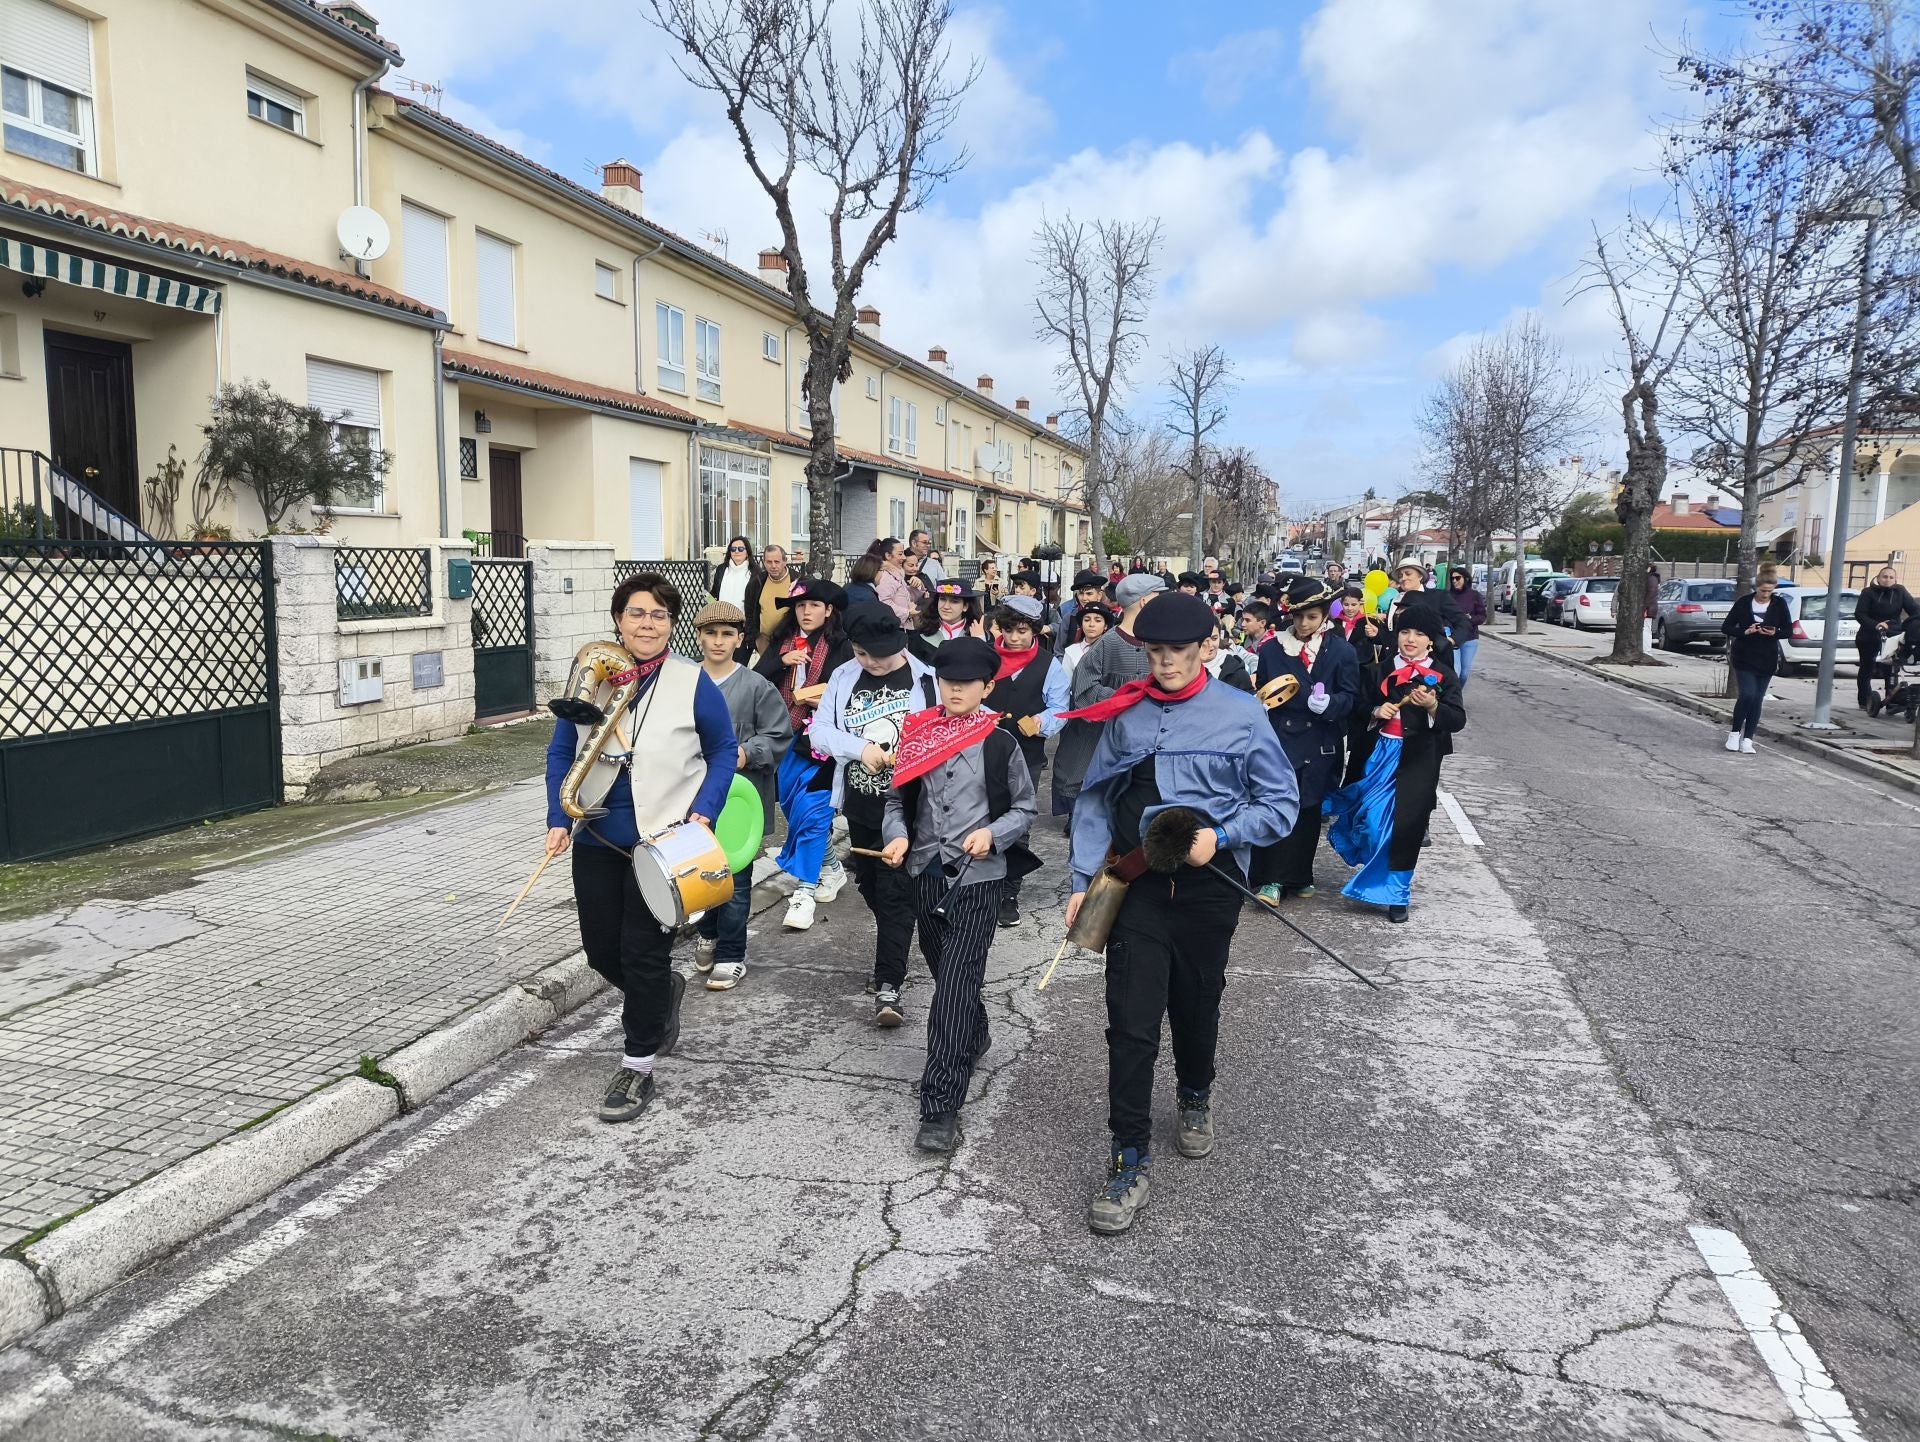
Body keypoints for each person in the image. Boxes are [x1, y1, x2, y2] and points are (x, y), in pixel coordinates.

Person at [1063, 591, 1296, 1235]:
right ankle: (1127, 1156)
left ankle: (1194, 1093)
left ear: (1204, 650)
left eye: (1177, 652)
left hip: (1208, 888)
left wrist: (1221, 836)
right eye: (1154, 652)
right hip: (1135, 889)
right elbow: (1093, 799)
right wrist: (1084, 880)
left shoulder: (1242, 715)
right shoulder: (1128, 716)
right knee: (1130, 1023)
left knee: (1196, 1007)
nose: (1164, 663)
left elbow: (1281, 804)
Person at [544, 573, 737, 1123]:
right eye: (636, 613)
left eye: (657, 614)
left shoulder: (691, 681)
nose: (646, 623)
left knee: (642, 951)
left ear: (672, 624)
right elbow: (562, 751)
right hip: (599, 835)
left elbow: (724, 751)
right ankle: (658, 995)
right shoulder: (594, 680)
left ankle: (637, 1065)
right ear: (618, 621)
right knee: (601, 950)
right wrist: (558, 817)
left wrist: (706, 810)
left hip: (664, 841)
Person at [880, 637, 1037, 1153]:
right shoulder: (918, 733)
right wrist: (896, 835)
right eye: (947, 681)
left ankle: (940, 1104)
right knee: (943, 964)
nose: (955, 690)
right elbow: (895, 802)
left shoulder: (1000, 741)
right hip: (925, 873)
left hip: (979, 878)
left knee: (953, 984)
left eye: (967, 683)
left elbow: (1024, 808)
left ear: (987, 687)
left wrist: (994, 833)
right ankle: (976, 1030)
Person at [808, 604, 936, 1023]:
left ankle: (888, 985)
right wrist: (860, 749)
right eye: (863, 653)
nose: (872, 663)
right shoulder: (844, 677)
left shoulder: (928, 678)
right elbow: (821, 731)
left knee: (895, 891)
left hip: (908, 807)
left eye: (879, 655)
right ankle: (894, 943)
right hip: (862, 805)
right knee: (873, 887)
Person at [1324, 603, 1465, 923]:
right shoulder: (1379, 669)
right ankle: (1376, 870)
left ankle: (1397, 894)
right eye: (1404, 632)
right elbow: (1357, 707)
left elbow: (1457, 719)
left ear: (1431, 640)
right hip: (1380, 755)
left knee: (1407, 828)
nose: (1410, 639)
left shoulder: (1443, 675)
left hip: (1419, 760)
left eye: (1419, 634)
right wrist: (1376, 712)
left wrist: (1432, 707)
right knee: (1373, 824)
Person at [691, 602, 792, 990]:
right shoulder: (684, 681)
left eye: (727, 634)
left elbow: (779, 734)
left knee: (735, 878)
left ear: (740, 639)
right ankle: (709, 934)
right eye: (711, 633)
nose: (718, 641)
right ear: (699, 636)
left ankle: (731, 954)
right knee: (699, 875)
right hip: (690, 798)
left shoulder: (755, 687)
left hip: (738, 799)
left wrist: (746, 751)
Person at [755, 578, 855, 929]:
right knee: (796, 814)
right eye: (800, 606)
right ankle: (831, 867)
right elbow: (757, 681)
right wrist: (782, 660)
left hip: (821, 745)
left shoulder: (842, 646)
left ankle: (805, 891)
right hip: (783, 741)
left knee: (813, 816)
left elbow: (851, 694)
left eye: (814, 605)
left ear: (829, 611)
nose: (806, 612)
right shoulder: (782, 643)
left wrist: (823, 703)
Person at [1252, 579, 1360, 903]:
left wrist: (1331, 705)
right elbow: (1264, 693)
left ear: (1325, 615)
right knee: (1279, 803)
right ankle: (1271, 879)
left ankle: (1300, 875)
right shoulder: (1272, 648)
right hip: (1280, 738)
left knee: (1309, 810)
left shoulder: (1342, 650)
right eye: (1298, 616)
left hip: (1320, 739)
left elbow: (1351, 696)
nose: (1303, 623)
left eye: (1311, 616)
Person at [1052, 572, 1162, 819]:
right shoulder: (1107, 645)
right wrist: (1125, 698)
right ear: (1145, 602)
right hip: (1105, 740)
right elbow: (1084, 689)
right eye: (1158, 597)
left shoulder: (1159, 643)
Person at [988, 595, 1069, 926]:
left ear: (1035, 630)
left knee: (1018, 821)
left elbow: (1060, 708)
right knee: (982, 815)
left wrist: (1040, 722)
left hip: (1027, 755)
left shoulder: (1049, 665)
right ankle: (981, 886)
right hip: (983, 751)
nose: (1015, 637)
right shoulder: (986, 657)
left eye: (1022, 630)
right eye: (1008, 630)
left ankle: (1009, 891)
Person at [1721, 567, 1790, 754]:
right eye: (1763, 591)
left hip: (1767, 657)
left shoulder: (1780, 604)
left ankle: (1748, 739)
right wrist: (1745, 631)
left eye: (1770, 591)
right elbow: (1726, 626)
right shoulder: (1744, 603)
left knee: (1758, 698)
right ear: (1756, 587)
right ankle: (1734, 734)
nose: (1766, 595)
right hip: (1744, 655)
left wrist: (1774, 632)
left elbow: (1788, 630)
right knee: (1747, 695)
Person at [1854, 566, 1917, 709]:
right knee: (1867, 668)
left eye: (1891, 577)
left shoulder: (1900, 591)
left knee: (1892, 668)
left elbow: (1914, 609)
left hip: (1892, 635)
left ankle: (1892, 699)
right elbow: (1860, 614)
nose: (1887, 580)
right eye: (1884, 576)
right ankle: (1864, 701)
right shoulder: (1868, 592)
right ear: (1878, 577)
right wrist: (1876, 624)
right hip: (1869, 635)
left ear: (1895, 579)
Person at [911, 576, 984, 663]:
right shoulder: (921, 635)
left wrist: (980, 642)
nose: (946, 606)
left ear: (965, 606)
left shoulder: (979, 634)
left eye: (954, 601)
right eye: (942, 599)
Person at [750, 545, 796, 658]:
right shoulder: (757, 582)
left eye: (777, 561)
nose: (773, 566)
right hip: (763, 641)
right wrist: (755, 638)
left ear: (785, 561)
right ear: (764, 562)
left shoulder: (797, 581)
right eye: (769, 562)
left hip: (788, 640)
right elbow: (750, 611)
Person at [1446, 565, 1487, 688]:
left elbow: (1482, 616)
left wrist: (1470, 619)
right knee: (1456, 671)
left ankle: (1456, 695)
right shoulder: (1447, 596)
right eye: (1452, 579)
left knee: (1464, 674)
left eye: (1457, 578)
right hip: (1452, 639)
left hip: (1469, 638)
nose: (1454, 581)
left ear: (1466, 579)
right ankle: (1453, 698)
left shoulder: (1474, 595)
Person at [710, 535, 757, 617]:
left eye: (741, 549)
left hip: (745, 623)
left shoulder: (755, 572)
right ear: (730, 552)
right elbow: (713, 595)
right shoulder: (721, 569)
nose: (737, 551)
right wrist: (710, 604)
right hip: (722, 621)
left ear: (747, 552)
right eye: (733, 549)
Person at [1061, 603, 1114, 674]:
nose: (1091, 624)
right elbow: (1066, 683)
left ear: (1105, 626)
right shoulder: (1071, 651)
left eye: (1098, 620)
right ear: (1081, 624)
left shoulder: (1113, 651)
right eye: (1086, 620)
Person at [1058, 569, 1108, 638]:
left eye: (1089, 594)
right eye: (1081, 593)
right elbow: (1059, 648)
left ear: (1099, 595)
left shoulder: (1108, 617)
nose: (1084, 598)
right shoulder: (1069, 618)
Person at [877, 537, 916, 623]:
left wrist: (917, 587)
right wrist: (907, 612)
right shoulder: (885, 576)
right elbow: (884, 603)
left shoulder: (896, 574)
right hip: (895, 627)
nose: (904, 557)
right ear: (888, 556)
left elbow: (903, 595)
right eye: (900, 554)